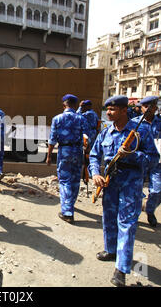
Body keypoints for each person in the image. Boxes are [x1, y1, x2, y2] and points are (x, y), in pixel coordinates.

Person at [89, 95, 159, 287]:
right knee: (109, 219)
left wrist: (132, 155)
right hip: (110, 183)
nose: (108, 113)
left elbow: (153, 159)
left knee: (126, 224)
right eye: (107, 110)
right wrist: (95, 174)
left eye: (112, 110)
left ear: (123, 110)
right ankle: (111, 250)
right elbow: (94, 155)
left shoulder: (141, 131)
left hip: (131, 184)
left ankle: (121, 268)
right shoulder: (106, 132)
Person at [46, 94, 90, 224]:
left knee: (64, 180)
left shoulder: (57, 119)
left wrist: (49, 155)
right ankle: (70, 204)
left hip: (64, 151)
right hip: (77, 151)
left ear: (64, 105)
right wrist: (87, 153)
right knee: (75, 180)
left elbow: (52, 139)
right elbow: (88, 137)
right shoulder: (81, 119)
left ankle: (67, 212)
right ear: (75, 105)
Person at [133, 96, 161, 227]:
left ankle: (150, 210)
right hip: (140, 160)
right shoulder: (134, 123)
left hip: (158, 161)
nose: (148, 109)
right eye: (145, 107)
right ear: (141, 108)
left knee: (158, 190)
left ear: (156, 107)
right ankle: (134, 213)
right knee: (135, 189)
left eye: (151, 107)